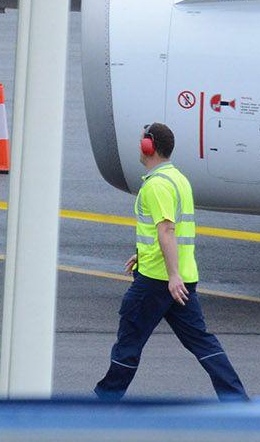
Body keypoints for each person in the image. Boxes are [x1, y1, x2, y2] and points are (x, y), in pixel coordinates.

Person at [94, 121, 246, 401]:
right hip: (182, 279)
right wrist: (145, 254)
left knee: (129, 341)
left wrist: (171, 274)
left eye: (142, 141)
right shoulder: (179, 179)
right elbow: (166, 231)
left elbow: (166, 228)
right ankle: (237, 399)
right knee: (202, 342)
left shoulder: (156, 186)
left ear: (148, 146)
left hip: (158, 280)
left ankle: (104, 400)